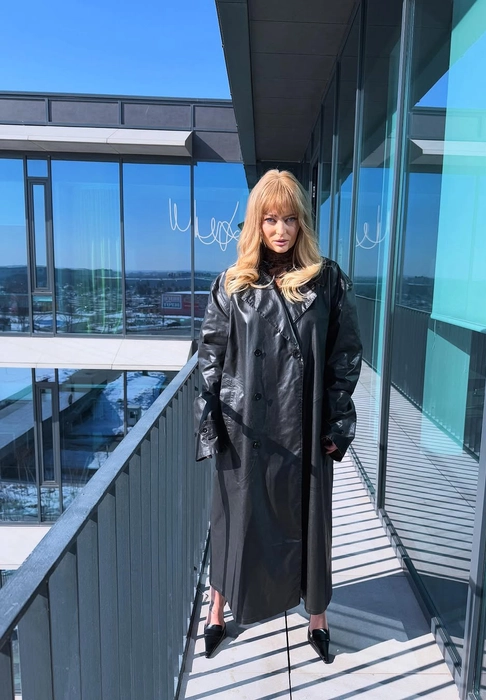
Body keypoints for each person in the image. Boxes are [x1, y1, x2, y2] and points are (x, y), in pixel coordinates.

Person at [194, 169, 362, 663]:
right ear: (257, 223)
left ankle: (318, 617)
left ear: (301, 222)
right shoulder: (232, 283)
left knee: (310, 523)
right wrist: (212, 422)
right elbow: (210, 357)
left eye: (289, 219)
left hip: (303, 427)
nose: (281, 230)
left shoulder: (327, 280)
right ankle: (217, 610)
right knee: (233, 522)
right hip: (245, 428)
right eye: (270, 219)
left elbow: (345, 354)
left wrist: (337, 422)